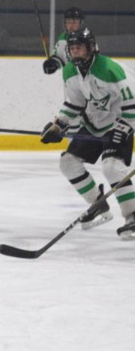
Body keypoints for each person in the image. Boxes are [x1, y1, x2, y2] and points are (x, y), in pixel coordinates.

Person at [39, 28, 135, 239]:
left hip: (121, 121)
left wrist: (125, 128)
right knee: (67, 163)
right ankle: (98, 205)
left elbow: (131, 104)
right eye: (72, 49)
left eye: (80, 48)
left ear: (91, 48)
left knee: (111, 167)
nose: (76, 53)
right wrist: (58, 126)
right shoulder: (69, 71)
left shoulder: (110, 69)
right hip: (95, 122)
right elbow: (74, 103)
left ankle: (132, 216)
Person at [42, 7, 85, 75]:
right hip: (71, 78)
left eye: (74, 22)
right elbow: (60, 58)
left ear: (80, 23)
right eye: (68, 22)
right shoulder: (63, 38)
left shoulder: (87, 38)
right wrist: (53, 64)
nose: (71, 25)